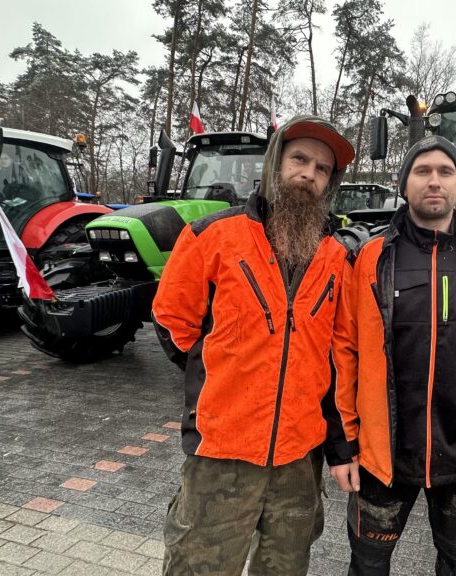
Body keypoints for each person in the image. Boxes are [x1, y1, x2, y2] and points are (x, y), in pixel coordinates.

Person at [152, 115, 356, 576]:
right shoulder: (212, 238)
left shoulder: (337, 258)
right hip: (221, 453)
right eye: (299, 159)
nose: (309, 173)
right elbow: (172, 324)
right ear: (274, 164)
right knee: (198, 566)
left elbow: (340, 355)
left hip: (299, 460)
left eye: (323, 169)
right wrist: (221, 378)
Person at [325, 135, 456, 575]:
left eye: (445, 172)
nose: (434, 181)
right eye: (422, 172)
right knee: (367, 565)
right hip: (383, 458)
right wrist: (342, 446)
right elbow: (345, 354)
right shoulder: (369, 259)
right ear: (405, 186)